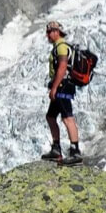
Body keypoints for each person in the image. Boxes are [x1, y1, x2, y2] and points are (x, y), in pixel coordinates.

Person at [40, 21, 83, 165]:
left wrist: (54, 88)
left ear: (56, 32)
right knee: (51, 117)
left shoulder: (62, 47)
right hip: (60, 86)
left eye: (49, 31)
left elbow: (63, 67)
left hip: (62, 87)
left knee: (67, 118)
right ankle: (56, 148)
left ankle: (75, 151)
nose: (47, 35)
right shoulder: (58, 47)